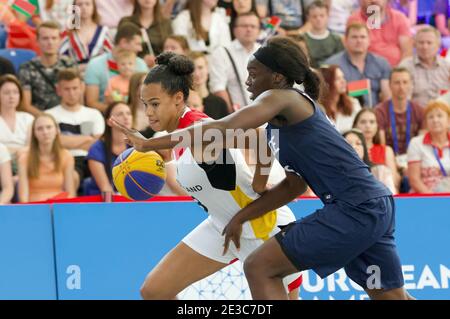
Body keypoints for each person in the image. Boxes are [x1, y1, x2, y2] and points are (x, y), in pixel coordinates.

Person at [110, 37, 412, 300]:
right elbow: (293, 184)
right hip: (236, 221)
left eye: (253, 74)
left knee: (259, 267)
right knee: (389, 296)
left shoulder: (283, 98)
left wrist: (148, 144)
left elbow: (226, 127)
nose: (247, 81)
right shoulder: (277, 125)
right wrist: (257, 184)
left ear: (277, 77)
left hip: (342, 210)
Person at [110, 51, 301, 299]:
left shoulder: (199, 130)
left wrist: (259, 183)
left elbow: (256, 138)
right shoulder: (179, 135)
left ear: (178, 98)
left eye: (155, 104)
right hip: (223, 224)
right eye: (145, 104)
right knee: (155, 291)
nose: (148, 112)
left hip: (260, 227)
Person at [46, 68, 105, 191]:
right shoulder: (49, 115)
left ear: (82, 87)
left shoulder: (94, 114)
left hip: (93, 159)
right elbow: (54, 143)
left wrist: (66, 141)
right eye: (67, 89)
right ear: (58, 90)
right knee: (70, 177)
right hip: (62, 159)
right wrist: (88, 138)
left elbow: (97, 144)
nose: (71, 93)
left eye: (75, 88)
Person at [84, 22, 148, 112]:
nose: (140, 49)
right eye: (137, 44)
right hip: (107, 116)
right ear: (123, 42)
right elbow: (91, 103)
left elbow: (147, 97)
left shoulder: (141, 64)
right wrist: (117, 110)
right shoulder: (95, 64)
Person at [325, 23, 391, 107]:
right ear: (345, 40)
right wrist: (361, 88)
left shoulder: (382, 63)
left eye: (363, 37)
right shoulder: (332, 65)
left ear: (369, 41)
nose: (359, 41)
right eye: (354, 37)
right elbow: (330, 96)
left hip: (375, 115)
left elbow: (387, 97)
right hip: (345, 113)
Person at [18, 21, 75, 116]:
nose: (50, 42)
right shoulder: (26, 68)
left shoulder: (68, 64)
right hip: (39, 120)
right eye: (45, 38)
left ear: (60, 40)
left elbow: (77, 96)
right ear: (37, 41)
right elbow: (25, 106)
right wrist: (48, 119)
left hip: (68, 117)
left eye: (54, 38)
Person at [209, 11, 261, 111]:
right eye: (244, 26)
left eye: (253, 26)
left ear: (259, 31)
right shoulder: (222, 52)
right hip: (237, 116)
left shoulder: (264, 51)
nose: (249, 29)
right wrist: (232, 116)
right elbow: (218, 88)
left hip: (264, 115)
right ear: (235, 30)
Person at [17, 114, 76, 202]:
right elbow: (23, 196)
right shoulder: (25, 158)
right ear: (34, 133)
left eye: (49, 127)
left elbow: (70, 193)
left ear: (56, 130)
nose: (45, 132)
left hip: (58, 207)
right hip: (34, 207)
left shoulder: (66, 156)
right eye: (40, 129)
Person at [85, 102, 132, 195]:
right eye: (120, 114)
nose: (126, 117)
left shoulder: (137, 147)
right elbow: (106, 189)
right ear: (109, 121)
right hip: (103, 204)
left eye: (128, 113)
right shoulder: (97, 149)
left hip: (132, 200)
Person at [347, 0, 412, 67]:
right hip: (368, 71)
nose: (374, 1)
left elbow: (407, 52)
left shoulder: (400, 18)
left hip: (396, 72)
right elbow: (354, 54)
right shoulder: (354, 20)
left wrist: (398, 72)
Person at [399, 26, 450, 108]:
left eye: (429, 43)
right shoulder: (405, 67)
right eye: (421, 42)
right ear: (415, 45)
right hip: (416, 115)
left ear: (438, 45)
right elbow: (402, 97)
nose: (425, 47)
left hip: (443, 115)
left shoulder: (447, 67)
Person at [353, 108, 401, 193]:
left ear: (377, 126)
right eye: (363, 122)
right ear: (355, 126)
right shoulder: (350, 150)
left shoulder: (386, 150)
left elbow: (393, 182)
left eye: (372, 122)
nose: (368, 126)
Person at [407, 101, 450, 193]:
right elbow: (414, 180)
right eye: (431, 117)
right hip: (425, 197)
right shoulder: (416, 143)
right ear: (426, 123)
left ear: (448, 121)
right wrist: (433, 199)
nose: (435, 120)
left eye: (439, 116)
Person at [60, 0, 113, 73]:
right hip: (74, 75)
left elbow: (110, 56)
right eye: (80, 5)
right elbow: (62, 58)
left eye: (87, 4)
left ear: (93, 7)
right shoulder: (67, 32)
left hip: (99, 73)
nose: (84, 7)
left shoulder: (104, 31)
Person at [118, 0, 173, 66]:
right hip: (132, 67)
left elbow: (171, 49)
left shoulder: (165, 23)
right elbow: (121, 48)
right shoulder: (126, 22)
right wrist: (141, 59)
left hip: (160, 67)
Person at [344, 128, 397, 194]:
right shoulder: (334, 174)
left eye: (358, 143)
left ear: (365, 149)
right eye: (348, 144)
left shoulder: (381, 171)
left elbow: (392, 197)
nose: (354, 147)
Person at [0, 75, 34, 164]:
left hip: (25, 162)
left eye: (15, 92)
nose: (11, 96)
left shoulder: (28, 118)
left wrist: (9, 150)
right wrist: (18, 151)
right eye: (6, 93)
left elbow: (32, 147)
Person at [319, 65, 361, 133]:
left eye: (343, 77)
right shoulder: (319, 108)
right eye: (337, 79)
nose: (343, 81)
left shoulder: (354, 104)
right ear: (327, 83)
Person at [188, 51, 229, 119]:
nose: (196, 73)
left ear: (207, 69)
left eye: (200, 67)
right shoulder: (181, 103)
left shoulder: (219, 103)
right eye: (192, 69)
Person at [303, 0, 344, 68]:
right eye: (314, 16)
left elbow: (340, 62)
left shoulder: (336, 39)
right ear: (308, 18)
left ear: (327, 16)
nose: (318, 19)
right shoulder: (302, 39)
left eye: (322, 15)